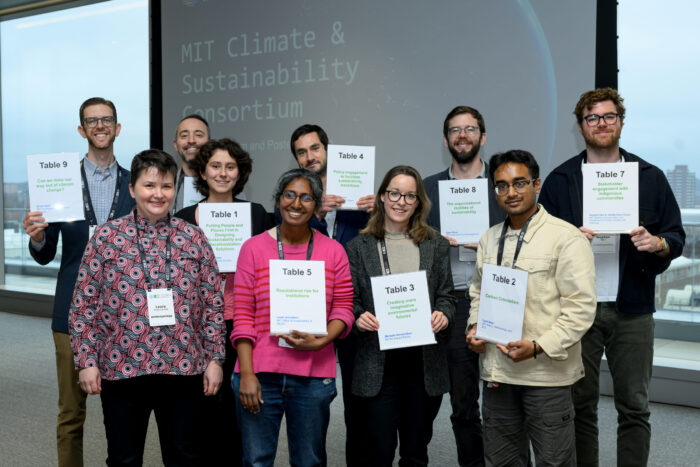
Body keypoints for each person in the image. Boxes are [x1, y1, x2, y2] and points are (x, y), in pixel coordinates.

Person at [538, 88, 685, 466]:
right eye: (592, 118)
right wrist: (571, 240)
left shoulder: (650, 177)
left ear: (620, 122)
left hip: (632, 309)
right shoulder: (560, 180)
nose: (601, 124)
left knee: (634, 407)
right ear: (581, 126)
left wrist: (657, 243)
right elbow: (541, 244)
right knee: (579, 405)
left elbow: (676, 237)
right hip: (575, 310)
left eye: (608, 117)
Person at [69, 149, 225, 465]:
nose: (158, 194)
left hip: (183, 368)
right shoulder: (105, 237)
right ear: (132, 189)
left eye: (166, 186)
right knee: (124, 458)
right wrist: (86, 360)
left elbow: (212, 304)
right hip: (121, 368)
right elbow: (83, 305)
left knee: (185, 456)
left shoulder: (193, 237)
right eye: (149, 185)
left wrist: (215, 359)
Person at [22, 97, 134, 467]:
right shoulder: (58, 183)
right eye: (92, 121)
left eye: (106, 120)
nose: (99, 126)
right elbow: (45, 251)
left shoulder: (136, 187)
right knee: (71, 415)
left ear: (117, 128)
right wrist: (37, 235)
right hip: (71, 313)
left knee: (125, 417)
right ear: (81, 130)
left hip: (124, 316)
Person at [467, 149, 596, 466]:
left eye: (519, 183)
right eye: (502, 186)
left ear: (536, 184)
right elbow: (478, 292)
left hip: (545, 376)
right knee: (502, 461)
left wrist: (538, 346)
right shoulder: (489, 239)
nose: (511, 192)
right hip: (498, 372)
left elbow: (580, 309)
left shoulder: (565, 238)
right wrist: (474, 328)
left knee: (554, 461)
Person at [232, 168, 355, 466]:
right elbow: (243, 316)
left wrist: (321, 340)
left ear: (316, 205)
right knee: (257, 461)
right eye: (289, 195)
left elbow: (343, 309)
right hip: (259, 373)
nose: (296, 204)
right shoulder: (252, 248)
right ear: (278, 200)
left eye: (306, 198)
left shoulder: (334, 251)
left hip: (313, 377)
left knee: (308, 461)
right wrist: (247, 374)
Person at [346, 165, 456, 466]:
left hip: (423, 363)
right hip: (379, 362)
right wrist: (358, 317)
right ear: (382, 196)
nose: (401, 201)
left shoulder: (435, 243)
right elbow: (349, 300)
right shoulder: (358, 247)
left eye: (410, 195)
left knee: (416, 451)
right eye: (394, 193)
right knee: (379, 450)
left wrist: (443, 315)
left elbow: (446, 295)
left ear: (419, 201)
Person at [174, 138, 273, 466]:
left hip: (242, 324)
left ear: (240, 172)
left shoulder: (256, 214)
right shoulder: (185, 217)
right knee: (200, 408)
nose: (222, 173)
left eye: (230, 167)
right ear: (203, 170)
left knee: (238, 411)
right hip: (197, 327)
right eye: (215, 166)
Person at [423, 106, 505, 466]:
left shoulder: (504, 186)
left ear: (482, 137)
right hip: (450, 301)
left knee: (506, 398)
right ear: (446, 141)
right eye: (455, 130)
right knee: (462, 401)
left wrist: (487, 247)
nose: (462, 135)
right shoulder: (427, 189)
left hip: (498, 298)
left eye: (470, 129)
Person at [287, 123, 372, 465]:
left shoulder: (361, 191)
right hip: (309, 308)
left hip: (353, 308)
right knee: (312, 405)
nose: (309, 157)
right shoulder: (295, 196)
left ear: (328, 149)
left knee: (358, 402)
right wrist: (316, 212)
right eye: (301, 152)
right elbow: (288, 239)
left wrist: (377, 210)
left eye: (315, 148)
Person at [171, 114, 210, 213]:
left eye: (198, 135)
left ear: (210, 143)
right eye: (184, 136)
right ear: (175, 145)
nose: (191, 140)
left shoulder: (226, 184)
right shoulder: (165, 185)